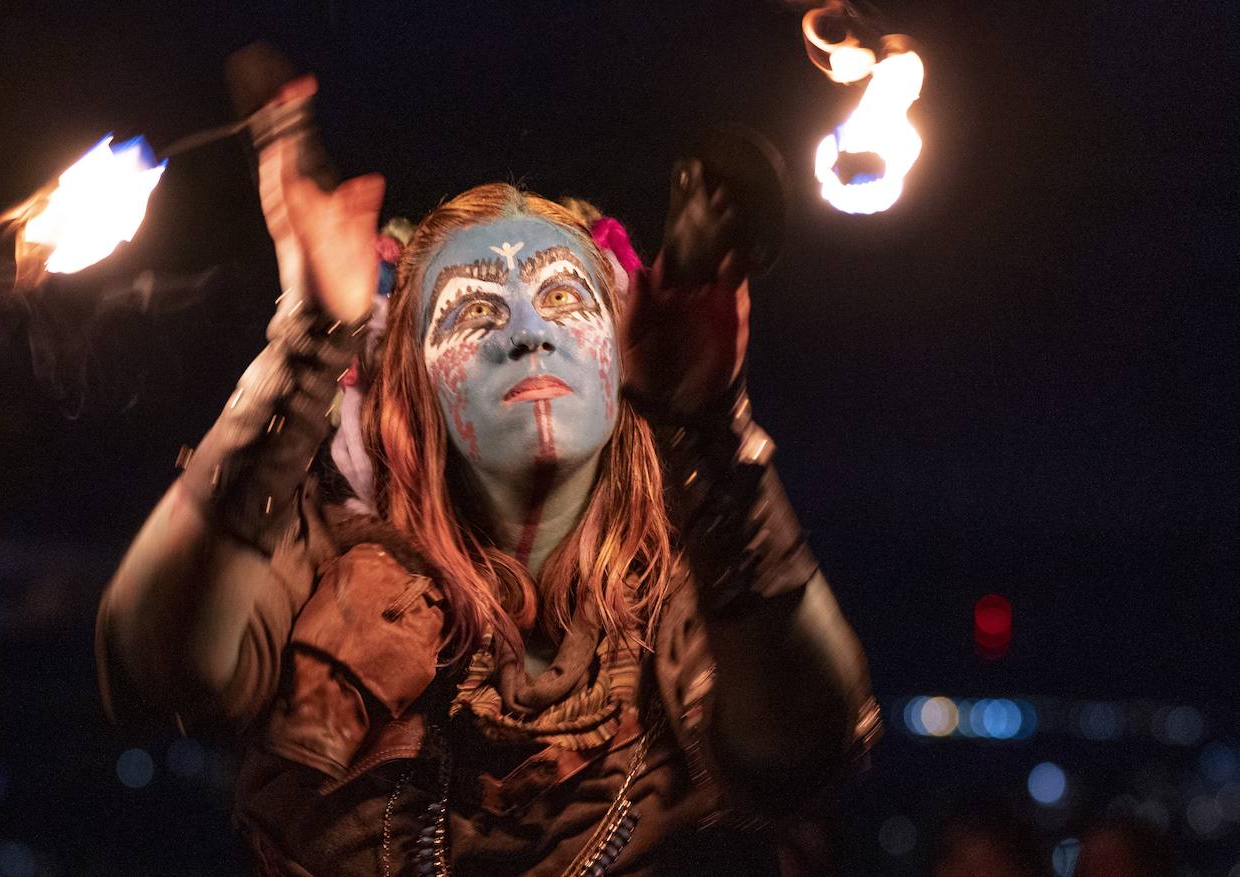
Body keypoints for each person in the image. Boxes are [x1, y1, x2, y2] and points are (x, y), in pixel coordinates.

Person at [95, 75, 877, 876]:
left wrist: (708, 430)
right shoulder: (320, 549)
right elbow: (160, 664)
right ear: (410, 384)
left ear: (621, 356)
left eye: (565, 296)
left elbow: (806, 745)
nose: (529, 336)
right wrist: (306, 348)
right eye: (474, 312)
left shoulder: (685, 586)